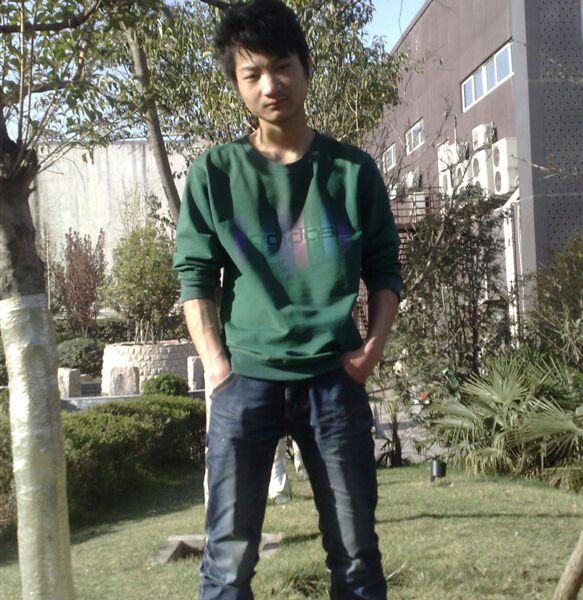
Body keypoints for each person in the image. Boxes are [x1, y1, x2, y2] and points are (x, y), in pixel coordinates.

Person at [173, 1, 402, 597]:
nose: (270, 85)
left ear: (306, 67)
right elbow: (195, 275)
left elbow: (385, 269)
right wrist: (218, 368)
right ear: (237, 83)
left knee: (356, 556)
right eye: (252, 74)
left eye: (281, 67)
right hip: (245, 382)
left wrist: (371, 351)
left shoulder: (352, 171)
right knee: (226, 564)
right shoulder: (215, 172)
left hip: (333, 380)